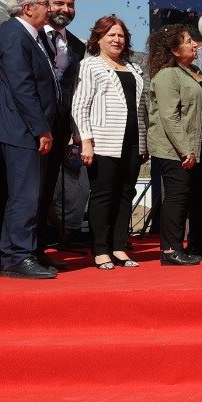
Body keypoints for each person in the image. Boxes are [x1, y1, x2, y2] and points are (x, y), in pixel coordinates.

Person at [0, 0, 60, 279]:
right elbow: (22, 86)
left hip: (23, 127)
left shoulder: (27, 34)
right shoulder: (15, 35)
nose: (49, 9)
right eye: (44, 3)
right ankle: (19, 256)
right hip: (21, 128)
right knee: (24, 195)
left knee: (22, 194)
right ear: (28, 8)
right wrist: (40, 128)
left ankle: (15, 254)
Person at [71, 16, 148, 269]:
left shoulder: (133, 67)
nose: (117, 40)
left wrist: (144, 142)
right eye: (111, 35)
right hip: (103, 141)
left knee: (126, 194)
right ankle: (100, 249)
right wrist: (85, 141)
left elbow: (141, 109)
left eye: (121, 35)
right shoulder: (89, 65)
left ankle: (119, 246)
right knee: (103, 194)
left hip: (133, 140)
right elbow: (80, 106)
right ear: (98, 38)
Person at [145, 24, 202, 266]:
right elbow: (169, 116)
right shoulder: (167, 75)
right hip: (173, 150)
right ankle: (170, 250)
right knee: (176, 197)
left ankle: (179, 248)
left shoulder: (190, 71)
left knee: (186, 197)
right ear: (173, 49)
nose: (195, 44)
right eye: (188, 41)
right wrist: (186, 150)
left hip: (190, 147)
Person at [40, 0, 88, 250]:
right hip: (30, 125)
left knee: (48, 186)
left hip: (60, 128)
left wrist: (73, 133)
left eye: (70, 5)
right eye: (59, 3)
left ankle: (42, 244)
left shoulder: (77, 46)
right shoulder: (31, 37)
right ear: (45, 4)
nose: (65, 9)